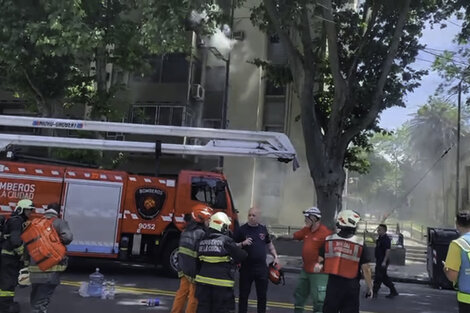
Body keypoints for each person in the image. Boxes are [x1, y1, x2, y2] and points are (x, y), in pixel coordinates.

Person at [278, 207, 332, 313]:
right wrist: (280, 237)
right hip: (306, 270)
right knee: (299, 295)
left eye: (307, 218)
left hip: (319, 272)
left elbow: (330, 250)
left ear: (314, 218)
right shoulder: (306, 230)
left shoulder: (326, 233)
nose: (305, 220)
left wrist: (321, 262)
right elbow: (293, 236)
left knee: (319, 299)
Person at [322, 210, 373, 313]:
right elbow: (366, 269)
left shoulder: (329, 240)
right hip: (351, 287)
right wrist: (369, 287)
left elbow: (319, 261)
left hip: (333, 286)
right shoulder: (360, 243)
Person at [195, 212, 247, 313]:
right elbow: (242, 255)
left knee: (203, 309)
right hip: (221, 286)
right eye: (226, 226)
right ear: (222, 226)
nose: (227, 229)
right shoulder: (226, 241)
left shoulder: (202, 241)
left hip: (203, 285)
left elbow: (197, 262)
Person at [26, 202, 73, 313]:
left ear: (46, 209)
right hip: (51, 269)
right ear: (58, 212)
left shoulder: (35, 223)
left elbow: (26, 243)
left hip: (34, 268)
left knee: (35, 297)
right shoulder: (59, 223)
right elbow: (68, 237)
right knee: (42, 302)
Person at [234, 207, 279, 313]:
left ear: (259, 217)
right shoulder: (242, 230)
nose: (251, 217)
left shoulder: (263, 229)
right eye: (249, 215)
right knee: (244, 295)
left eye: (254, 215)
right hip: (246, 267)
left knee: (262, 295)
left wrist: (275, 256)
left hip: (261, 268)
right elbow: (233, 245)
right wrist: (242, 243)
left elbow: (269, 244)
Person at [171, 204, 213, 313]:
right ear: (200, 218)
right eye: (208, 219)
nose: (209, 222)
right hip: (194, 271)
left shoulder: (185, 231)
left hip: (184, 269)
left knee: (182, 292)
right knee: (194, 297)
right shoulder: (201, 234)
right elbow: (201, 254)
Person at [0, 199, 35, 313]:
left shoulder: (17, 220)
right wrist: (21, 254)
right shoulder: (16, 221)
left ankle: (6, 305)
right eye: (28, 210)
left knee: (7, 283)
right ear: (21, 210)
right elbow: (15, 241)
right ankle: (5, 308)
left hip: (7, 258)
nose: (30, 213)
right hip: (9, 258)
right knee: (7, 284)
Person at [444, 211, 470, 313]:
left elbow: (452, 276)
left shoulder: (457, 244)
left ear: (457, 225)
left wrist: (446, 268)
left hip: (466, 301)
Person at [373, 224, 398, 299]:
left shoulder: (386, 239)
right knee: (384, 278)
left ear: (384, 230)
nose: (378, 231)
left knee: (378, 277)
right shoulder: (380, 238)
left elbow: (387, 250)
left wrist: (384, 261)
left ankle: (374, 292)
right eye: (378, 229)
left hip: (383, 260)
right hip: (379, 260)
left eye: (379, 229)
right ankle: (393, 291)